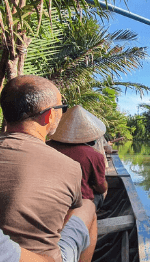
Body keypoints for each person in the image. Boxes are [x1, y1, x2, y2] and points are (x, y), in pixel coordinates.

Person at [0, 75, 97, 262]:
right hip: (48, 258)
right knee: (88, 205)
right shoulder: (69, 167)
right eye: (62, 108)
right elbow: (66, 217)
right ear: (50, 115)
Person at [47, 105, 108, 210]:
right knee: (104, 189)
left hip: (49, 200)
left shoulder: (45, 147)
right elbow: (101, 188)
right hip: (79, 204)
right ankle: (92, 215)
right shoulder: (94, 155)